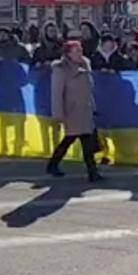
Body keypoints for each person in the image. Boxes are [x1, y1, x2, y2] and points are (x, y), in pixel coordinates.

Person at [46, 41, 104, 182]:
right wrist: (58, 114)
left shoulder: (85, 64)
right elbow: (57, 93)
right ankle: (92, 172)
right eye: (76, 51)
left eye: (80, 50)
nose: (80, 53)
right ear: (68, 53)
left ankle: (55, 165)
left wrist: (93, 106)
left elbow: (89, 89)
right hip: (71, 110)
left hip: (85, 109)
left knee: (81, 140)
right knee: (74, 139)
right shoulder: (61, 69)